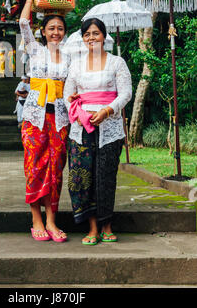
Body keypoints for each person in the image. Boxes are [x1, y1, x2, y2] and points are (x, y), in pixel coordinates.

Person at [63, 18, 132, 245]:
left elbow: (126, 94)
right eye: (87, 34)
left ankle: (107, 225)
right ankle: (92, 227)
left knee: (105, 176)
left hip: (109, 128)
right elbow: (67, 94)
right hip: (81, 128)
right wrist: (74, 104)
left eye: (95, 33)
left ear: (104, 36)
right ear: (82, 39)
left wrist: (107, 110)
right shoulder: (75, 65)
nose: (91, 38)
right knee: (82, 178)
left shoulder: (117, 63)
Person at [19, 0, 70, 243]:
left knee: (55, 169)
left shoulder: (71, 55)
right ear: (43, 31)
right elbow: (23, 24)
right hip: (34, 118)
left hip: (60, 119)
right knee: (35, 167)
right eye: (51, 28)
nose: (56, 32)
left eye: (60, 28)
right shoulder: (34, 49)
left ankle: (51, 220)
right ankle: (35, 218)